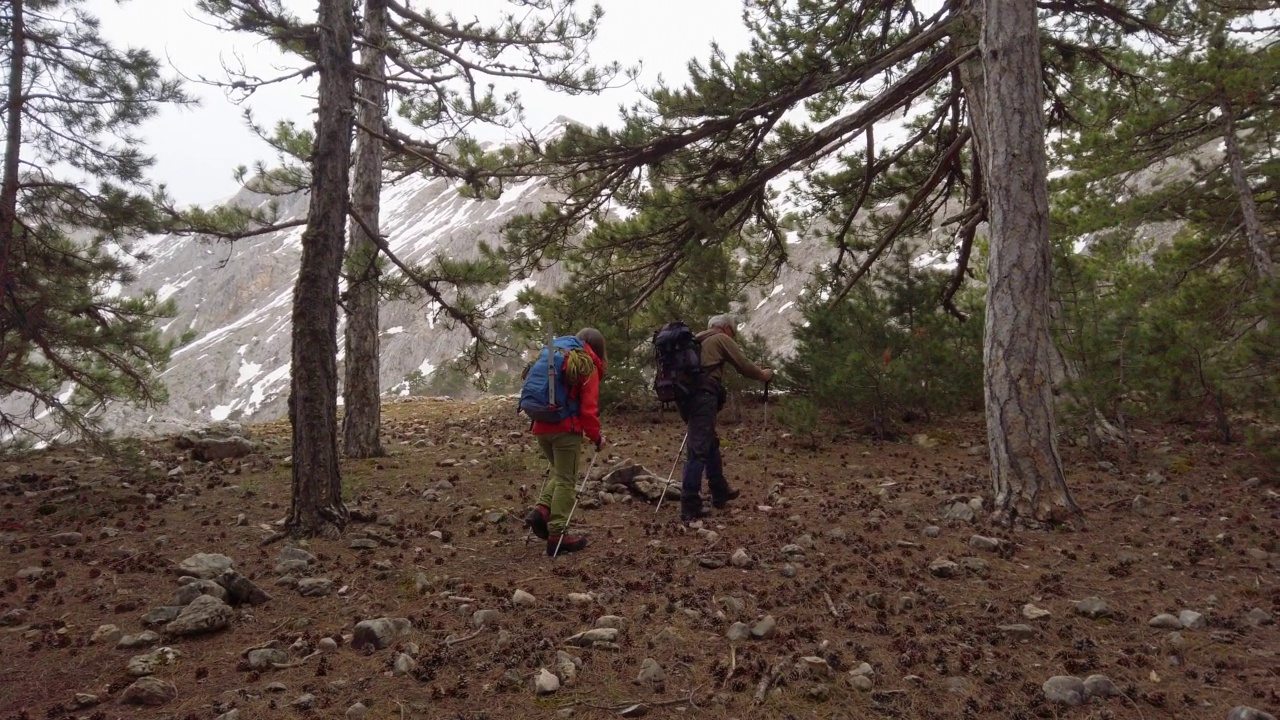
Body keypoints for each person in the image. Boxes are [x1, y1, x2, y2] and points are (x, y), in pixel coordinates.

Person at [677, 315, 773, 522]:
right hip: (704, 397)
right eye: (734, 331)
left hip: (685, 398)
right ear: (727, 328)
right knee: (698, 449)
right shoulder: (720, 339)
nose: (734, 335)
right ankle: (689, 504)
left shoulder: (697, 340)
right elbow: (744, 365)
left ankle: (719, 490)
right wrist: (763, 375)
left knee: (708, 441)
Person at [524, 328, 607, 555]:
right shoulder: (585, 364)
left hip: (541, 425)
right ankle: (557, 536)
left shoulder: (556, 353)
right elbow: (588, 411)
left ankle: (541, 510)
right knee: (567, 481)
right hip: (565, 429)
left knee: (560, 473)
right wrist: (597, 437)